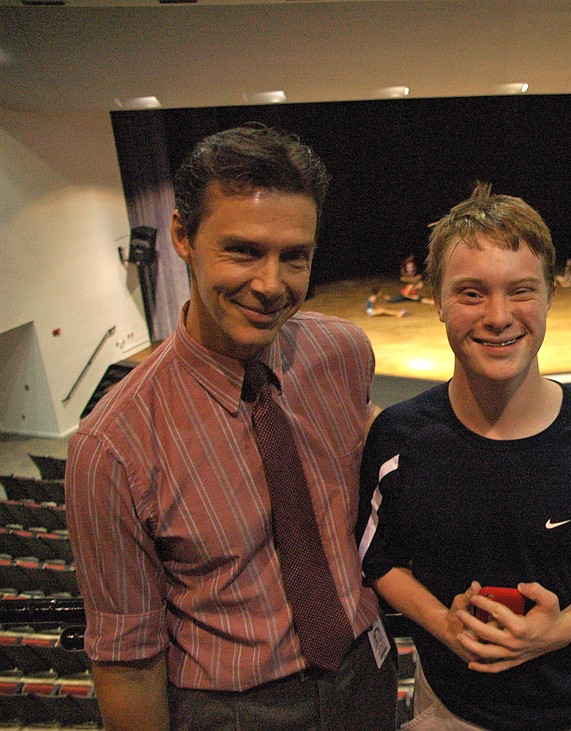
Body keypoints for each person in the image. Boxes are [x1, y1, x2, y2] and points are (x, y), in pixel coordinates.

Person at [65, 124, 397, 730]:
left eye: (294, 256)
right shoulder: (110, 446)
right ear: (182, 237)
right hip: (234, 711)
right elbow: (126, 660)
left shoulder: (343, 355)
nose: (271, 285)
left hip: (367, 672)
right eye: (243, 250)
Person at [357, 183, 571, 730]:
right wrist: (442, 623)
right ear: (436, 301)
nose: (499, 316)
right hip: (453, 710)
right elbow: (377, 557)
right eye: (471, 293)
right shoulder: (400, 437)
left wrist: (561, 629)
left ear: (551, 294)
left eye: (521, 290)